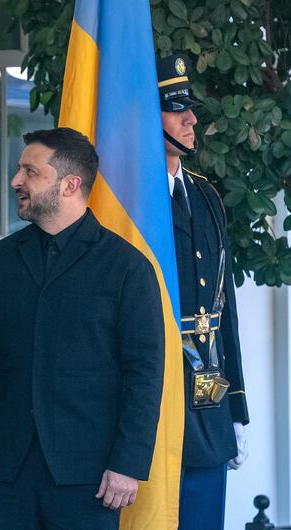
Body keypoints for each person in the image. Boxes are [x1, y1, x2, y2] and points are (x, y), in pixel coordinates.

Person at [0, 128, 165, 529]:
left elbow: (145, 374)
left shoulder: (128, 269)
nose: (16, 181)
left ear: (70, 184)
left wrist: (128, 462)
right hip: (5, 470)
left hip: (91, 476)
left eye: (30, 172)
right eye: (18, 170)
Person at [157, 53, 249, 530]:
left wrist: (237, 406)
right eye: (176, 109)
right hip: (153, 393)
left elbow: (223, 307)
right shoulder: (131, 201)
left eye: (189, 108)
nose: (192, 119)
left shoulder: (207, 195)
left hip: (207, 394)